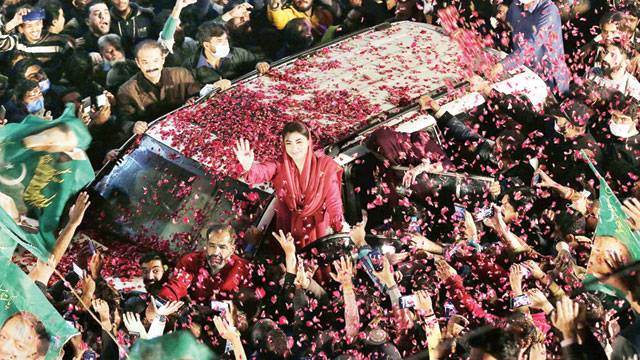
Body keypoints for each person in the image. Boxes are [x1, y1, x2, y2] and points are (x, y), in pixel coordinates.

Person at [235, 121, 344, 247]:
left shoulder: (325, 166)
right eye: (289, 143)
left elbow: (333, 201)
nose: (294, 148)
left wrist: (340, 227)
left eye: (299, 142)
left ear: (308, 142)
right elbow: (262, 171)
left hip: (319, 231)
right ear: (284, 145)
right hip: (289, 232)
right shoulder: (281, 166)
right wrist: (248, 166)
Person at [116, 39, 201, 137]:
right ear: (138, 63)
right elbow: (124, 120)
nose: (151, 66)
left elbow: (198, 96)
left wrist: (193, 101)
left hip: (187, 128)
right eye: (145, 62)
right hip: (152, 137)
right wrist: (133, 126)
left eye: (155, 60)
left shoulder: (181, 75)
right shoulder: (127, 90)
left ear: (163, 59)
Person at [488, 0, 571, 95]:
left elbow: (531, 46)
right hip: (526, 73)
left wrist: (502, 65)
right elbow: (508, 31)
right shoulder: (515, 6)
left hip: (551, 78)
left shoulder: (549, 10)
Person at [157, 224, 252, 303]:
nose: (215, 252)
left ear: (232, 249)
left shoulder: (243, 268)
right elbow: (176, 287)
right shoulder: (190, 261)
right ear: (206, 245)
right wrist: (160, 303)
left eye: (222, 247)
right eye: (212, 245)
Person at [185, 21, 269, 85]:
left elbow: (260, 60)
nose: (225, 43)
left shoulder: (238, 53)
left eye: (225, 39)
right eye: (219, 41)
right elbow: (189, 92)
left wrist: (261, 64)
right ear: (206, 45)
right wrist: (211, 88)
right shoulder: (191, 66)